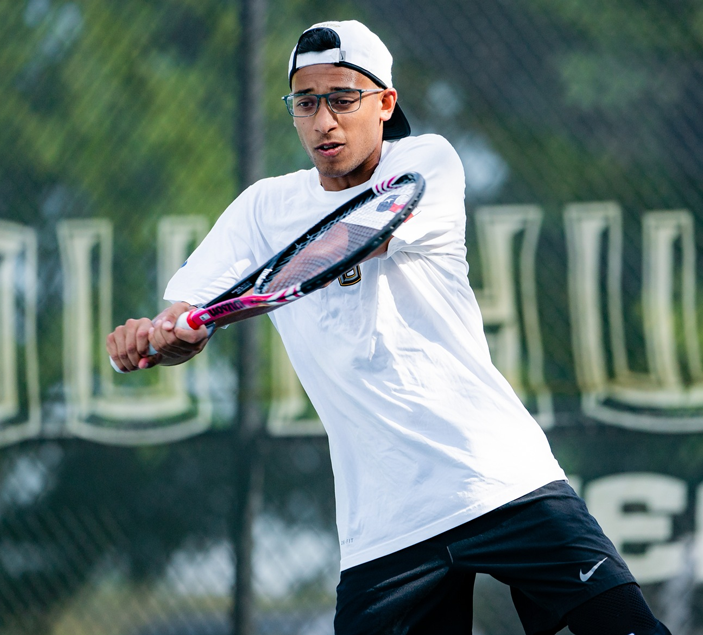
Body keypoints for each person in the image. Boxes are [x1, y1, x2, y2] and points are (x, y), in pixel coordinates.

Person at [106, 19, 671, 635]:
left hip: (500, 480)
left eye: (343, 100)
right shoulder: (261, 209)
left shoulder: (425, 163)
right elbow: (185, 313)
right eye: (305, 102)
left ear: (385, 104)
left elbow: (356, 238)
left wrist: (260, 284)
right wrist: (159, 337)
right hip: (384, 530)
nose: (323, 122)